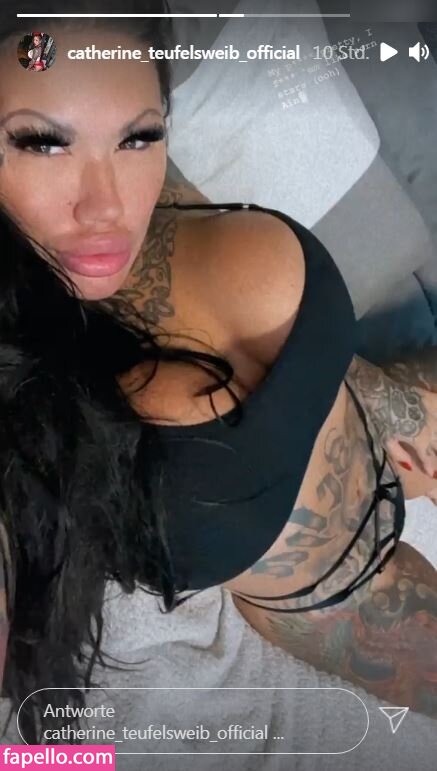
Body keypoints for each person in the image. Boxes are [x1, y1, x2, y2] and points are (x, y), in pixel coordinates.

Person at [0, 0, 436, 745]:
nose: (107, 206)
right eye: (42, 143)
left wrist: (398, 406)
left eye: (139, 135)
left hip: (394, 413)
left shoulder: (137, 194)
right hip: (359, 601)